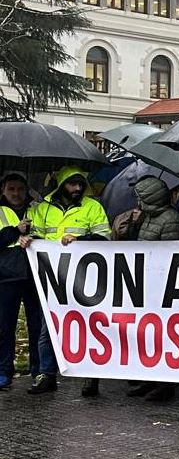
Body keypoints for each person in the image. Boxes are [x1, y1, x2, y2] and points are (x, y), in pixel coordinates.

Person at [26, 167, 112, 395]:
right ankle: (47, 375)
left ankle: (91, 377)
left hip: (84, 278)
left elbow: (105, 237)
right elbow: (35, 236)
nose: (77, 189)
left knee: (88, 326)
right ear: (61, 184)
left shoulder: (93, 207)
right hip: (52, 278)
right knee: (49, 327)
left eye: (81, 185)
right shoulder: (42, 209)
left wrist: (80, 239)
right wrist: (28, 240)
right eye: (72, 184)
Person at [114, 176, 179, 402]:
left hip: (162, 287)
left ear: (149, 198)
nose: (136, 201)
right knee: (150, 336)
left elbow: (171, 255)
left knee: (164, 336)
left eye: (139, 197)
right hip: (147, 284)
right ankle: (150, 378)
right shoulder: (149, 217)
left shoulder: (171, 220)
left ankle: (165, 383)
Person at [0, 173, 38, 390]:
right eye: (11, 189)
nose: (16, 194)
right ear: (3, 191)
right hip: (6, 276)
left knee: (36, 326)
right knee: (5, 327)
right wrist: (16, 231)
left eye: (20, 189)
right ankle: (4, 371)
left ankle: (38, 370)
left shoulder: (37, 210)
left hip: (34, 276)